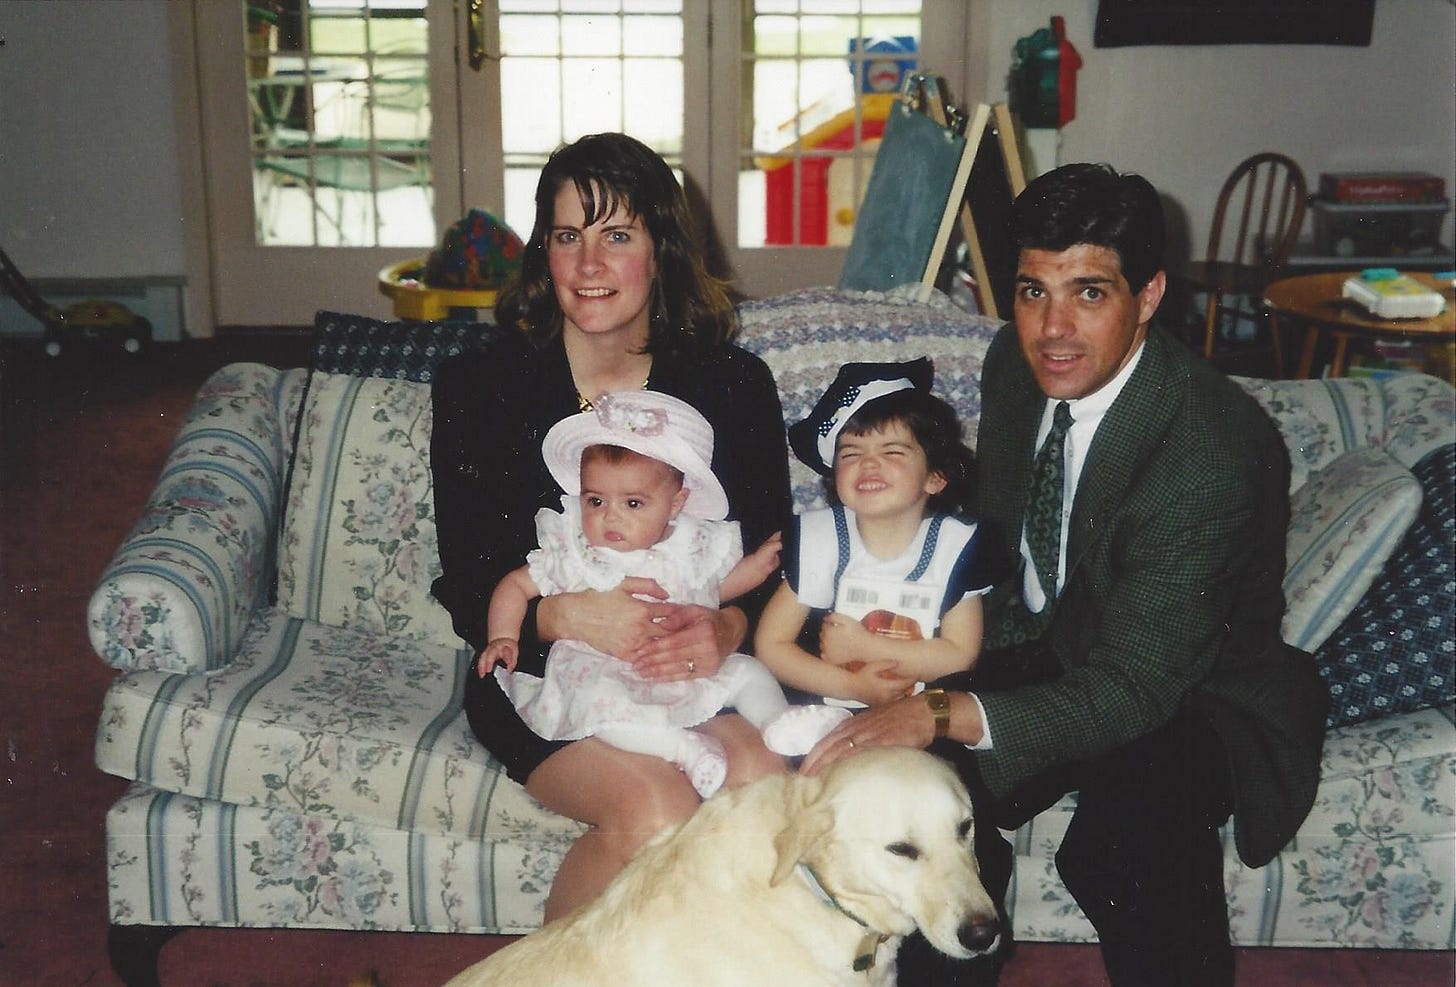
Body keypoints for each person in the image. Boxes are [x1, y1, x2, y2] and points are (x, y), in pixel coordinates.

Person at [802, 163, 1328, 987]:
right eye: (1032, 291)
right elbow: (1001, 539)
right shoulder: (1018, 363)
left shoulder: (1209, 450)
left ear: (1148, 295)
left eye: (1089, 292)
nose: (1053, 328)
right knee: (918, 793)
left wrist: (940, 709)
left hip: (1194, 689)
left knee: (1131, 838)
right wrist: (920, 627)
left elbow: (1136, 686)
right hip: (1045, 642)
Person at [430, 132, 794, 920]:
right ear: (544, 252)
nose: (589, 263)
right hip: (543, 673)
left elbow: (776, 556)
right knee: (659, 810)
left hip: (691, 670)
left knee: (764, 786)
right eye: (568, 236)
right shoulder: (478, 386)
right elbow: (467, 584)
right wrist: (565, 616)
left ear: (662, 250)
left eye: (618, 235)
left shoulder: (732, 384)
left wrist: (728, 626)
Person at [480, 389, 845, 797]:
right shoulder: (576, 552)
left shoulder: (691, 545)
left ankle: (778, 724)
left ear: (675, 504)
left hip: (678, 666)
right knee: (603, 711)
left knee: (747, 672)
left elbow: (711, 590)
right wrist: (503, 636)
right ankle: (684, 750)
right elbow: (515, 584)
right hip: (603, 671)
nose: (610, 516)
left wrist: (756, 568)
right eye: (595, 500)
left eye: (633, 503)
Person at [755, 359, 996, 720]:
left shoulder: (956, 547)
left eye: (892, 451)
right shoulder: (820, 540)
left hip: (925, 716)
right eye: (851, 453)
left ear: (935, 477)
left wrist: (866, 647)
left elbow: (960, 654)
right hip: (828, 708)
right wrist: (852, 687)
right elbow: (772, 645)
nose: (868, 464)